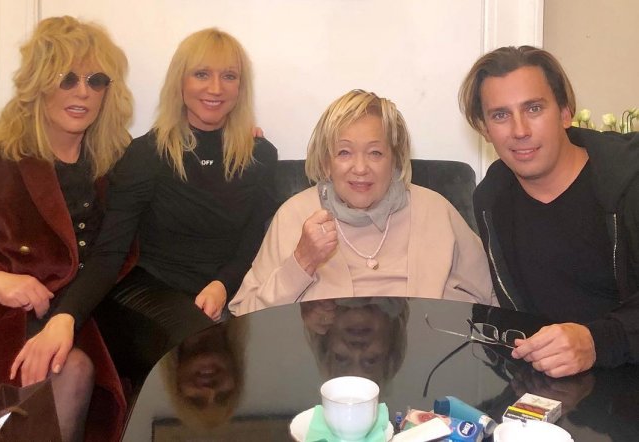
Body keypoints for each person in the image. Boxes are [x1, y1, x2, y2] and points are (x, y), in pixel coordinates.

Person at [59, 28, 277, 383]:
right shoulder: (147, 155)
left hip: (225, 286)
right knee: (204, 346)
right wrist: (66, 316)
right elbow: (110, 251)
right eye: (201, 74)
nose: (215, 88)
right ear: (180, 81)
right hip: (149, 287)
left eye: (229, 76)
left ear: (241, 87)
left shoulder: (260, 156)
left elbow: (255, 239)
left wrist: (222, 284)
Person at [0, 16, 133, 442]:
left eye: (95, 80)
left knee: (75, 368)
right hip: (7, 314)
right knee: (70, 370)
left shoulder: (118, 160)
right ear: (38, 83)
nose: (82, 92)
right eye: (67, 78)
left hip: (82, 311)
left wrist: (238, 141)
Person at [229, 89, 495, 315]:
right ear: (326, 162)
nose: (360, 168)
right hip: (322, 360)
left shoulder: (435, 211)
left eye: (375, 153)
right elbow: (244, 316)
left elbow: (495, 297)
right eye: (344, 152)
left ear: (395, 160)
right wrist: (301, 262)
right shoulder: (294, 215)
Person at [459, 45, 639, 378]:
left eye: (534, 108)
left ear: (565, 113)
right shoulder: (492, 200)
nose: (520, 130)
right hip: (552, 387)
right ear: (484, 129)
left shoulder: (629, 183)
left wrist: (597, 341)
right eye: (500, 115)